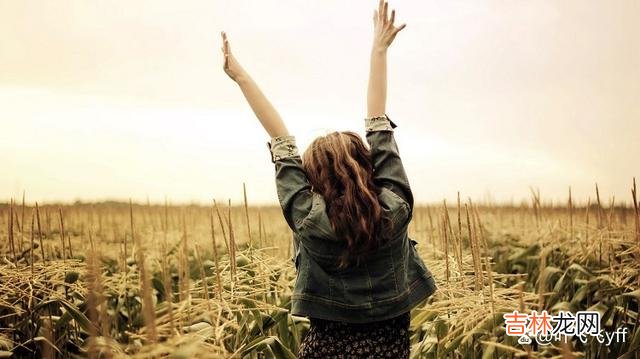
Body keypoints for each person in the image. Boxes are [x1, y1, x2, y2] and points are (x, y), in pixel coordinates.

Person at [220, 1, 436, 357]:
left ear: (313, 181)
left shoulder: (307, 218)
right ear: (369, 168)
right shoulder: (395, 208)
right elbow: (378, 124)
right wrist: (379, 50)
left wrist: (241, 77)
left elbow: (282, 144)